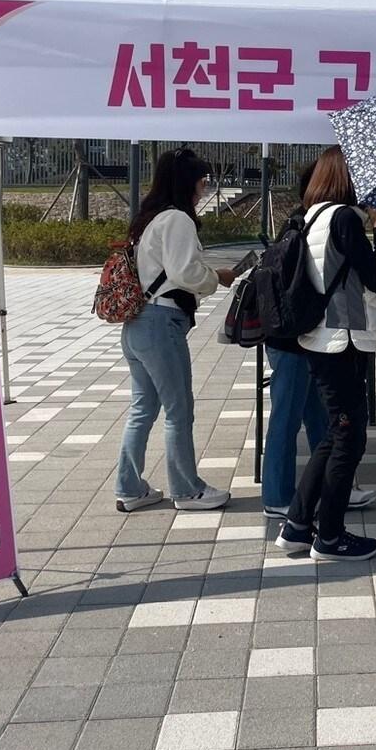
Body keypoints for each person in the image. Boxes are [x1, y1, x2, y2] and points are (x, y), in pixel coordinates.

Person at [275, 147, 376, 561]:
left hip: (323, 339)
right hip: (342, 339)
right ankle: (331, 537)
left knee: (333, 434)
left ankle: (297, 526)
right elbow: (375, 279)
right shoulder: (343, 218)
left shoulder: (312, 215)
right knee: (349, 439)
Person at [116, 150, 236, 513]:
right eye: (202, 181)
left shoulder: (147, 219)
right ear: (188, 181)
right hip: (160, 326)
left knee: (143, 409)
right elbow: (185, 272)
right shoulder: (178, 219)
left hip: (137, 324)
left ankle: (131, 488)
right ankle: (187, 490)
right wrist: (217, 278)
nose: (204, 188)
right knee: (179, 410)